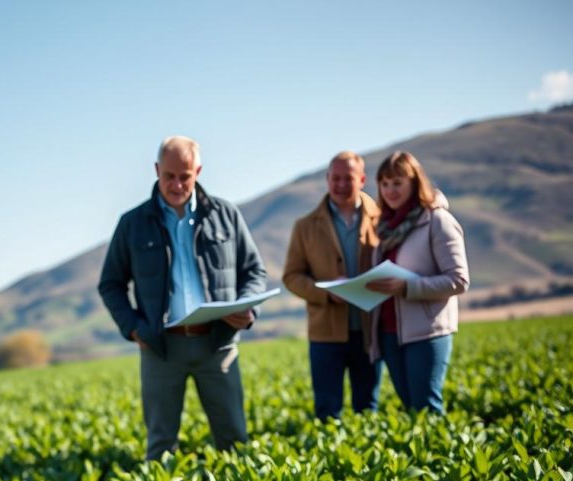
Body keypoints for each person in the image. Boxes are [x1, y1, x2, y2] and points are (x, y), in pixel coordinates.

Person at [98, 136, 268, 460]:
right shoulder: (132, 224)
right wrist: (134, 328)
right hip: (161, 347)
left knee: (234, 440)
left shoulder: (225, 214)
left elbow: (254, 272)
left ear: (198, 171)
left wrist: (248, 307)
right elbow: (110, 284)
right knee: (160, 446)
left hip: (218, 345)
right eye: (169, 176)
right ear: (156, 170)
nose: (177, 184)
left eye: (185, 176)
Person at [365, 151, 469, 414]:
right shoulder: (384, 227)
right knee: (411, 408)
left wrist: (407, 287)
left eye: (397, 182)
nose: (390, 190)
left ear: (414, 181)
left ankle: (443, 455)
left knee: (427, 406)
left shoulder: (437, 221)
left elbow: (458, 280)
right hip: (389, 332)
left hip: (426, 330)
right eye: (385, 184)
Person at [283, 151, 383, 419]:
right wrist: (326, 292)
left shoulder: (383, 220)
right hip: (325, 335)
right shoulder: (305, 227)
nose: (340, 185)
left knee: (368, 410)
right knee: (327, 413)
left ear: (361, 179)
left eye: (347, 178)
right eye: (335, 178)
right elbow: (292, 277)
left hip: (369, 330)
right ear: (327, 179)